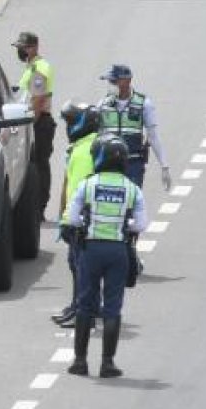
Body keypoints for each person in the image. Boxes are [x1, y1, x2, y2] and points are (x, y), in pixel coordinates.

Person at [65, 134, 148, 379]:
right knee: (112, 307)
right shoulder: (132, 189)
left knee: (85, 304)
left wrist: (89, 222)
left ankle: (80, 361)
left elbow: (72, 218)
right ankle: (107, 363)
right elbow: (140, 224)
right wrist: (122, 224)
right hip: (118, 252)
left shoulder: (88, 185)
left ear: (98, 156)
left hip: (90, 250)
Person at [52, 101, 100, 328]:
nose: (68, 128)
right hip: (82, 221)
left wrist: (68, 221)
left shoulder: (83, 151)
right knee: (77, 265)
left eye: (71, 122)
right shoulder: (85, 146)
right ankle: (78, 306)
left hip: (80, 223)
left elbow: (77, 192)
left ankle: (83, 312)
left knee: (81, 266)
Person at [99, 64, 171, 191]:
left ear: (127, 81)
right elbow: (96, 136)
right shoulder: (103, 105)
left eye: (114, 81)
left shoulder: (143, 104)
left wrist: (164, 166)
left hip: (133, 164)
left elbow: (153, 137)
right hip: (109, 165)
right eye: (110, 82)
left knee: (132, 199)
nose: (111, 85)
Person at [11, 31, 56, 220]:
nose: (21, 51)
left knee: (38, 166)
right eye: (20, 48)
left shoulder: (39, 69)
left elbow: (38, 100)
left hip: (38, 122)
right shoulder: (31, 67)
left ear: (35, 47)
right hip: (33, 121)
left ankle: (39, 208)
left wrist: (29, 125)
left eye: (25, 48)